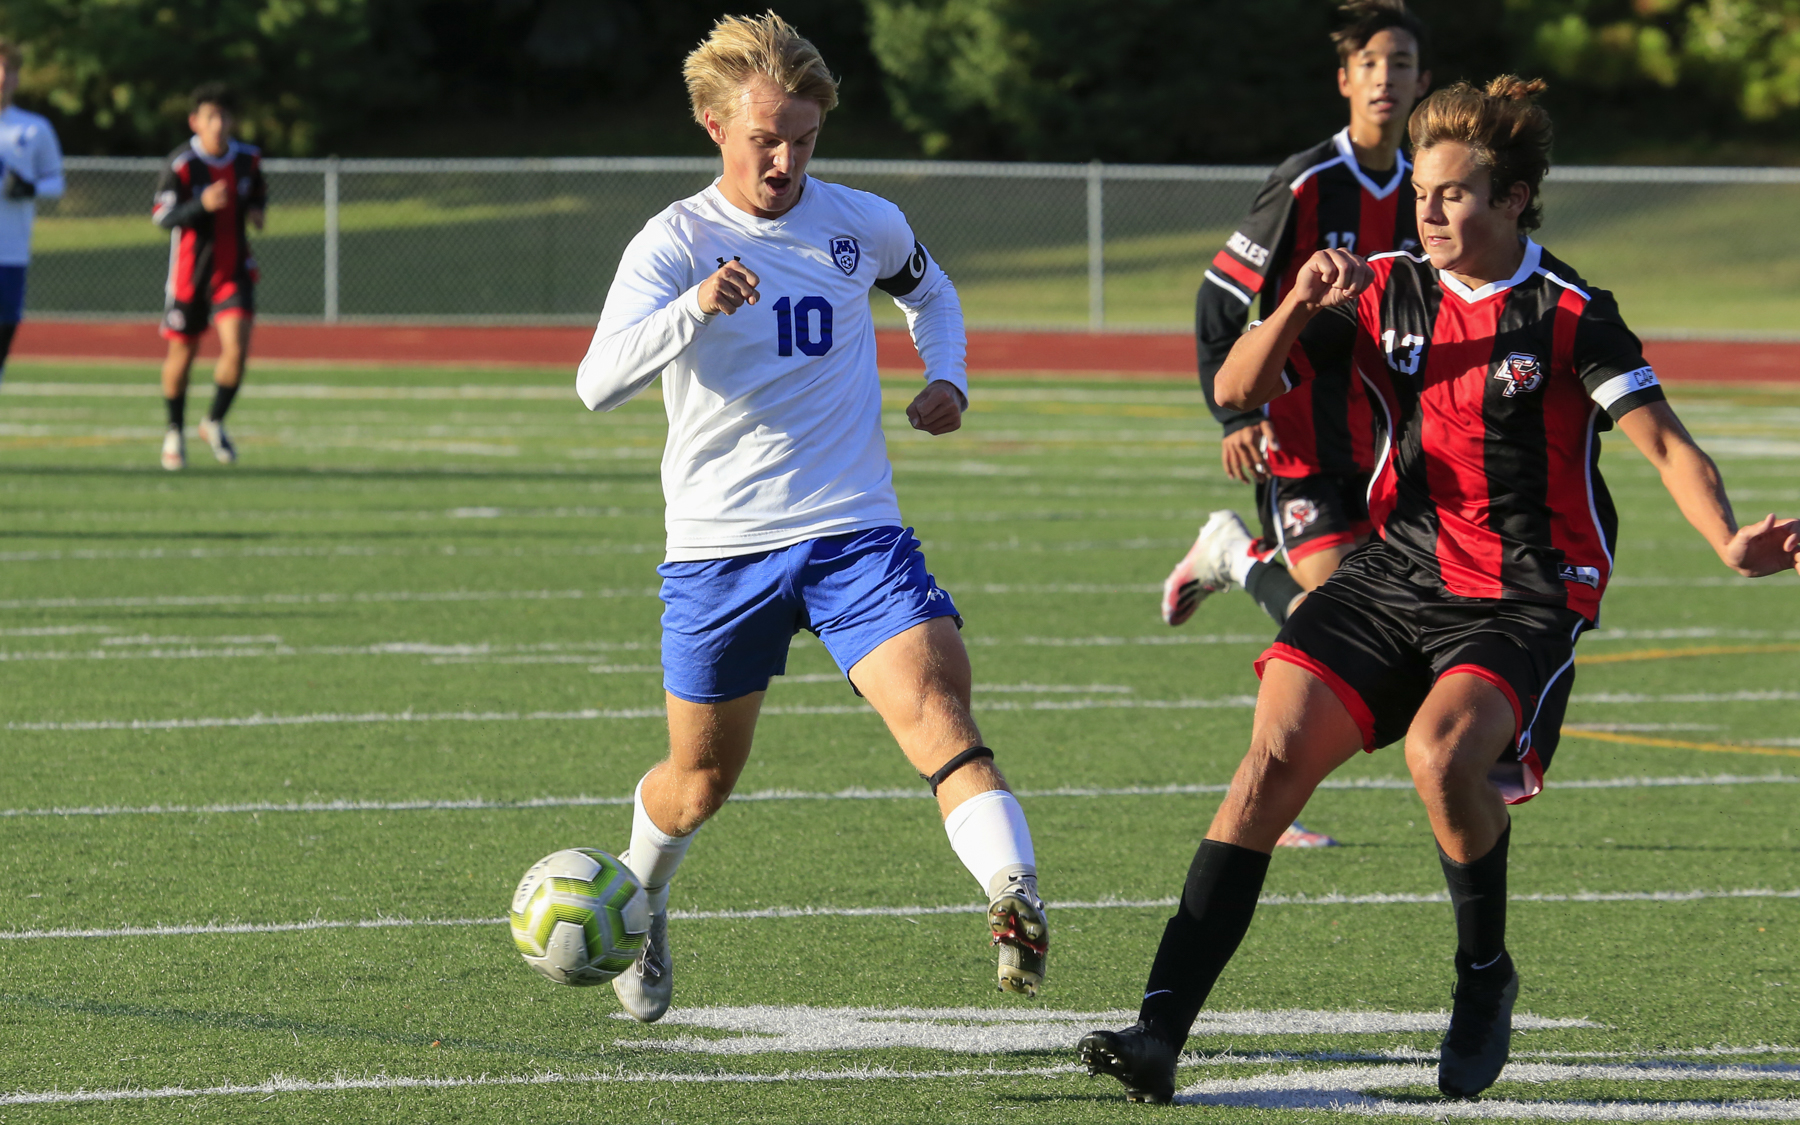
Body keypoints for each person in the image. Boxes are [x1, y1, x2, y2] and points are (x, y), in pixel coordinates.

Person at [1080, 76, 1800, 1104]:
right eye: (1422, 192)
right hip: (1396, 566)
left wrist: (1731, 540)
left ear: (1512, 201)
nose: (1429, 211)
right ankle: (1158, 1031)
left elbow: (1666, 444)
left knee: (1441, 756)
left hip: (1526, 589)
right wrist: (1294, 303)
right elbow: (1237, 392)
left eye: (1455, 194)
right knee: (1269, 761)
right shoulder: (1382, 287)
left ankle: (1481, 979)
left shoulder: (1571, 311)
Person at [575, 12, 1048, 1023]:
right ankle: (641, 893)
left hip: (853, 531)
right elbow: (595, 382)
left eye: (802, 138)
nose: (785, 158)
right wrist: (695, 306)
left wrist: (949, 378)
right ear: (714, 125)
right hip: (718, 550)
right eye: (764, 138)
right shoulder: (675, 240)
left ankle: (1012, 897)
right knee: (697, 787)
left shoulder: (860, 222)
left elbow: (934, 293)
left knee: (941, 712)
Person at [1168, 0, 1433, 851]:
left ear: (1422, 82)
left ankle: (1232, 556)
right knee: (1330, 619)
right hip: (1300, 436)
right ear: (1346, 78)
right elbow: (1219, 298)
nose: (1386, 79)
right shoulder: (1308, 182)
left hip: (1389, 447)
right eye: (1373, 63)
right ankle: (1270, 796)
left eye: (1402, 64)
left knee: (1387, 624)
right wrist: (1236, 409)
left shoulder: (1433, 192)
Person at [153, 82, 265, 470]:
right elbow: (162, 217)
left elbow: (256, 195)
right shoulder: (182, 164)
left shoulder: (248, 159)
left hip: (233, 271)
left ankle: (213, 421)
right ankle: (173, 430)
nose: (217, 124)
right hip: (189, 276)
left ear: (232, 121)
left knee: (236, 350)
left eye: (223, 116)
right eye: (209, 117)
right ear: (194, 122)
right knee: (182, 357)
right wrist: (199, 204)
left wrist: (256, 212)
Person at [0, 38, 65, 384]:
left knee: (5, 332)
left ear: (17, 78)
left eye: (7, 70)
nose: (0, 77)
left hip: (10, 253)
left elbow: (56, 183)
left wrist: (29, 188)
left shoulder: (34, 128)